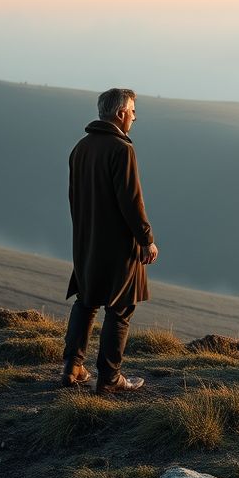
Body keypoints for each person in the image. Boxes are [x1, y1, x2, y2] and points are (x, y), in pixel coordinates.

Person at [61, 87, 159, 393]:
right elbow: (131, 201)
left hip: (87, 240)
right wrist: (147, 239)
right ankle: (109, 377)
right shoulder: (122, 149)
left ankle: (72, 368)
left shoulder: (81, 147)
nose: (134, 116)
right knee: (120, 308)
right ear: (120, 114)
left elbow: (73, 198)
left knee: (87, 301)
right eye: (131, 111)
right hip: (118, 245)